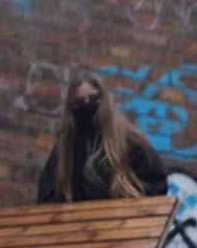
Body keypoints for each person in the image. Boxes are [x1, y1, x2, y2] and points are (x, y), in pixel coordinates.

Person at [36, 75, 169, 206]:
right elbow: (46, 196)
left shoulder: (130, 141)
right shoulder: (63, 150)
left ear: (104, 99)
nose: (87, 104)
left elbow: (155, 182)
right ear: (72, 107)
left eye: (93, 98)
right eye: (80, 102)